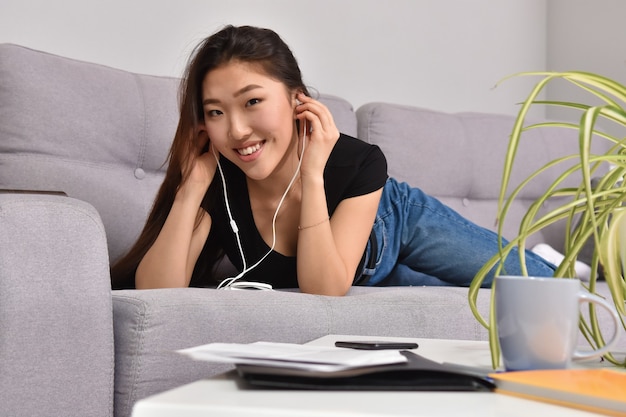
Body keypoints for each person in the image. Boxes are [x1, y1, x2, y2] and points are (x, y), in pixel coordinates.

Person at [110, 25, 555, 294]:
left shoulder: (355, 162)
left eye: (252, 102)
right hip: (353, 269)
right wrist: (191, 186)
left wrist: (313, 175)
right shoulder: (217, 177)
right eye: (215, 112)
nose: (237, 131)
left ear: (295, 98)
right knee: (454, 290)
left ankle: (552, 259)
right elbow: (159, 291)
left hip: (396, 221)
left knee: (533, 282)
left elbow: (323, 286)